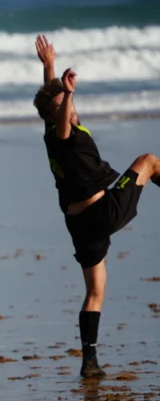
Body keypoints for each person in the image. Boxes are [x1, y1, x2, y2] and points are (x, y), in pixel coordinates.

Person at [33, 35, 160, 378]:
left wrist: (49, 67)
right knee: (148, 160)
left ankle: (89, 361)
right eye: (63, 104)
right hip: (102, 212)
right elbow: (61, 119)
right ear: (57, 113)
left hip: (79, 226)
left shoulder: (50, 131)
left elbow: (51, 104)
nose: (69, 107)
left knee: (95, 291)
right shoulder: (62, 134)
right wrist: (67, 93)